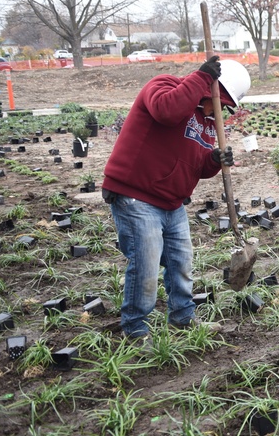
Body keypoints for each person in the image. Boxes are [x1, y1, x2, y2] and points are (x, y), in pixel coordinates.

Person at [101, 56, 251, 340]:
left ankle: (183, 317)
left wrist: (215, 160)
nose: (220, 111)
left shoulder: (207, 123)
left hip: (171, 202)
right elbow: (166, 112)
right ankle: (134, 329)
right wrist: (200, 77)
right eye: (222, 103)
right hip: (136, 195)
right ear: (211, 89)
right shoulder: (164, 86)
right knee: (145, 264)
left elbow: (197, 165)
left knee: (181, 262)